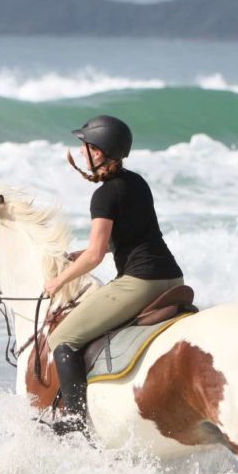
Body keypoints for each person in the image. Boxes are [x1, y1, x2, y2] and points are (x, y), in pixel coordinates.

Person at [45, 115, 184, 433]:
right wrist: (76, 257)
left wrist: (57, 282)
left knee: (62, 338)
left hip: (140, 283)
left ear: (100, 152)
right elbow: (120, 241)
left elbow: (96, 256)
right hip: (172, 278)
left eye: (86, 146)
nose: (82, 153)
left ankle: (75, 421)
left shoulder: (104, 195)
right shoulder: (137, 182)